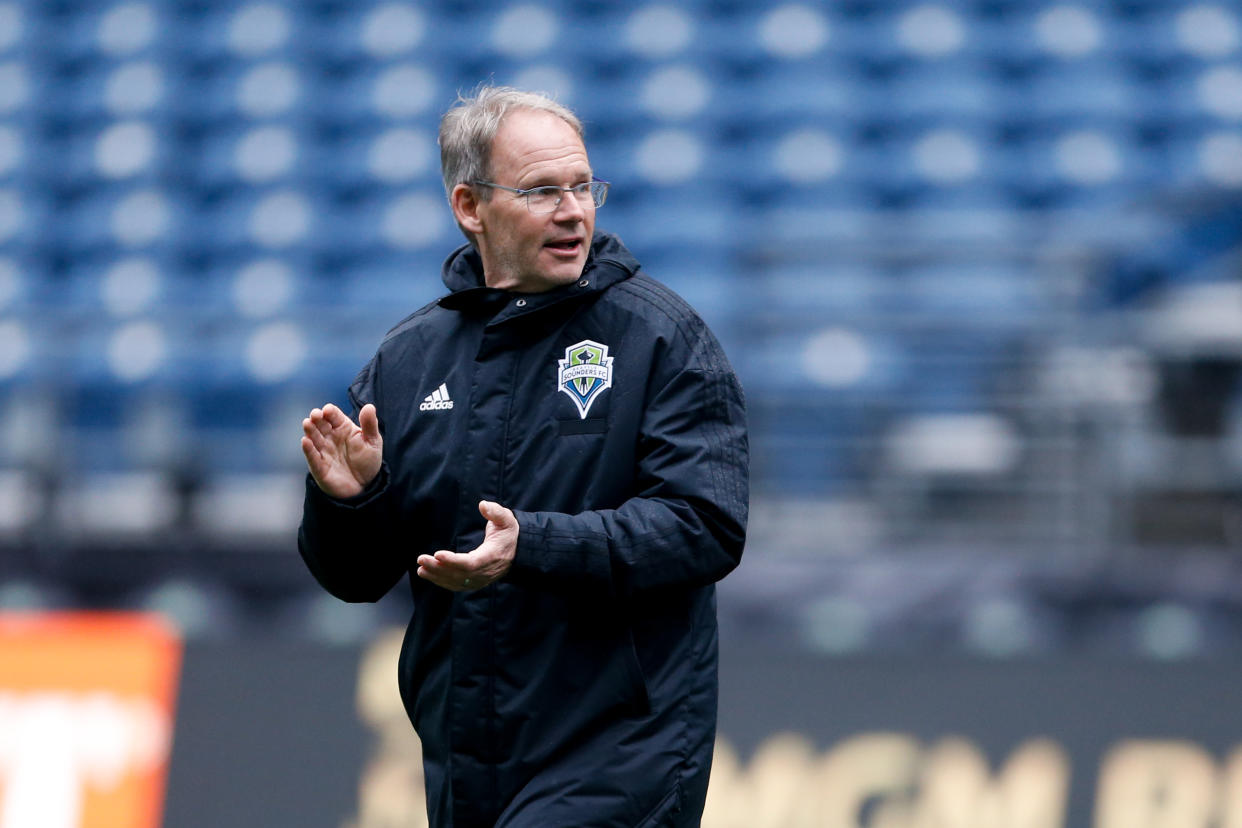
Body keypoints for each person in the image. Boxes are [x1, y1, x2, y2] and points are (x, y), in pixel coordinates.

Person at [297, 85, 749, 828]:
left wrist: (531, 546)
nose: (573, 210)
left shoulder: (662, 340)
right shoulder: (410, 360)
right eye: (543, 191)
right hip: (466, 753)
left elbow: (706, 525)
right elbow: (355, 579)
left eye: (582, 186)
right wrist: (355, 500)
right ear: (470, 207)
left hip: (622, 750)